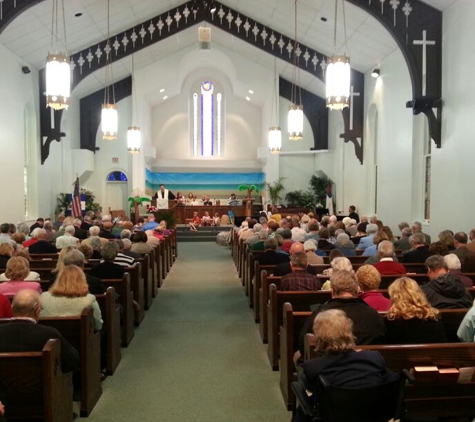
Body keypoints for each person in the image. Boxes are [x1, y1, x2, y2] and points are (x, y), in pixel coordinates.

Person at [301, 309, 396, 408]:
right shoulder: (374, 358)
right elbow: (394, 381)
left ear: (319, 337)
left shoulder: (313, 367)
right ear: (349, 333)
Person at [0, 289, 79, 373]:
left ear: (12, 309)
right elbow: (73, 361)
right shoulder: (49, 334)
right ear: (37, 311)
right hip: (44, 385)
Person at [386, 277, 447, 344]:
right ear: (418, 293)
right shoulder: (433, 317)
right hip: (431, 354)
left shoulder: (390, 320)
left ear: (394, 297)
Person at [41, 265, 103, 330]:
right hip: (80, 338)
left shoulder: (44, 297)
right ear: (82, 280)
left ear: (58, 279)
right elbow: (98, 326)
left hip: (51, 336)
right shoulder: (89, 299)